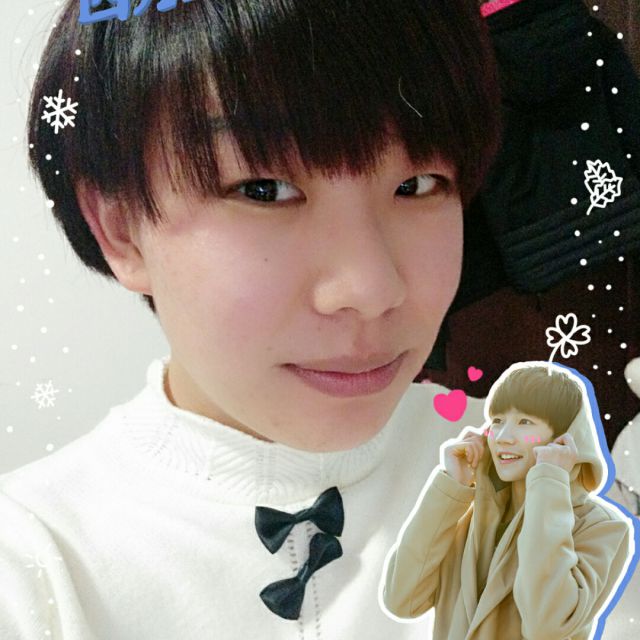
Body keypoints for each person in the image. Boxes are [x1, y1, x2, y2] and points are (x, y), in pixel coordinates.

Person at [0, 0, 503, 638]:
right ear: (121, 229)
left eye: (419, 184)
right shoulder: (31, 567)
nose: (372, 289)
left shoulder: (531, 478)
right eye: (264, 189)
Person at [381, 362, 636, 640]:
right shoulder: (464, 519)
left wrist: (550, 482)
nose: (502, 438)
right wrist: (450, 488)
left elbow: (546, 625)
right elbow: (401, 600)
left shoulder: (603, 528)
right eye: (498, 421)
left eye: (525, 422)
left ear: (564, 439)